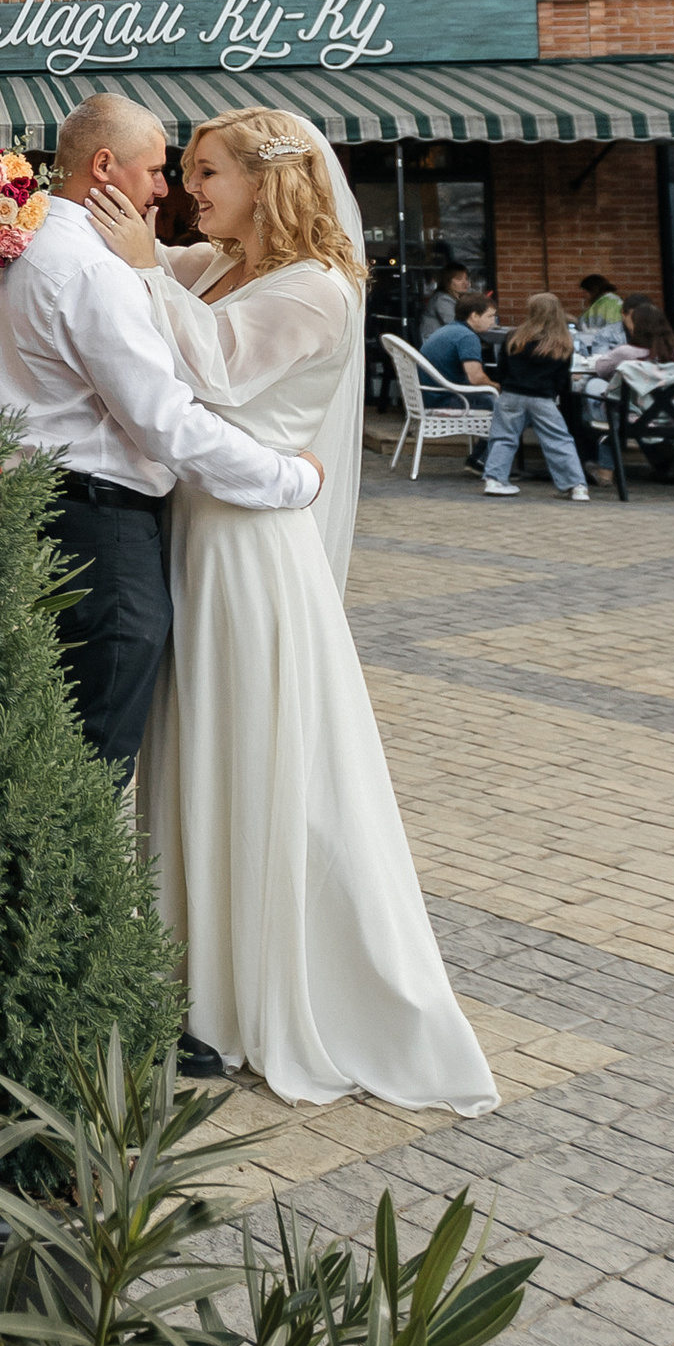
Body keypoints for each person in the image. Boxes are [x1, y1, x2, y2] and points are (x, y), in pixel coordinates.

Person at [87, 109, 496, 1115]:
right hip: (185, 533)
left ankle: (249, 998)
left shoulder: (315, 288)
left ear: (270, 180)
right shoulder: (212, 266)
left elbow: (216, 368)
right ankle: (189, 978)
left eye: (206, 171)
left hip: (244, 552)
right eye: (180, 173)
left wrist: (144, 269)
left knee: (249, 755)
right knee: (192, 757)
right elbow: (124, 262)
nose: (187, 191)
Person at [0, 90, 323, 819]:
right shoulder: (92, 271)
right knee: (91, 765)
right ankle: (70, 923)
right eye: (158, 169)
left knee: (57, 745)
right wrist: (289, 478)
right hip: (102, 535)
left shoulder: (38, 243)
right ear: (104, 166)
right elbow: (165, 423)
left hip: (54, 512)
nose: (167, 188)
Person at [480, 292, 592, 500]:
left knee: (503, 437)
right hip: (542, 397)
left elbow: (502, 369)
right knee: (558, 440)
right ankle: (576, 486)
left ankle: (494, 480)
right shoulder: (562, 342)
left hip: (512, 394)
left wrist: (505, 384)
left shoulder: (514, 336)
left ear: (531, 311)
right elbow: (562, 378)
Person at [420, 287, 499, 408]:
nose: (493, 322)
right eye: (490, 316)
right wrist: (497, 387)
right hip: (448, 401)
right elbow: (476, 378)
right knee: (509, 406)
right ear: (474, 316)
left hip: (431, 398)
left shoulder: (448, 330)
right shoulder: (467, 337)